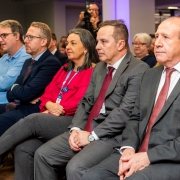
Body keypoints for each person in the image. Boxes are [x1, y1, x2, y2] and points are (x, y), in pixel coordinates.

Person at [22, 20, 149, 180]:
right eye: (97, 42)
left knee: (75, 167)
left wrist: (91, 136)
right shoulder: (99, 68)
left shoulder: (138, 69)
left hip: (111, 135)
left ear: (120, 44)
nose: (97, 47)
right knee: (42, 155)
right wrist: (75, 128)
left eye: (103, 42)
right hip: (86, 128)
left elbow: (124, 112)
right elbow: (86, 102)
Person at [81, 16, 180, 180]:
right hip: (137, 149)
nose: (157, 43)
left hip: (170, 158)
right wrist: (128, 147)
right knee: (92, 176)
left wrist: (147, 157)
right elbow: (135, 117)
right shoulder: (150, 75)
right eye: (157, 36)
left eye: (166, 37)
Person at [0, 28, 99, 180]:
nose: (68, 47)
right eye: (67, 43)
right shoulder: (65, 68)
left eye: (73, 43)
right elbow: (46, 94)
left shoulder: (93, 71)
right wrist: (49, 105)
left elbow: (81, 102)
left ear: (86, 47)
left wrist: (54, 108)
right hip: (51, 115)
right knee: (24, 148)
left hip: (72, 121)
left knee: (33, 119)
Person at [0, 22, 61, 136]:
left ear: (43, 41)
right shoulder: (28, 61)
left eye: (31, 37)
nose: (26, 41)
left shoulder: (50, 63)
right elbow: (10, 93)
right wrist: (18, 90)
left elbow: (26, 93)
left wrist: (17, 89)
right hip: (20, 105)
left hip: (32, 111)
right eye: (26, 37)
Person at [0, 20, 31, 104]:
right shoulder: (4, 58)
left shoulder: (26, 56)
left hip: (9, 104)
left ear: (17, 36)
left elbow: (4, 83)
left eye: (4, 35)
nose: (0, 40)